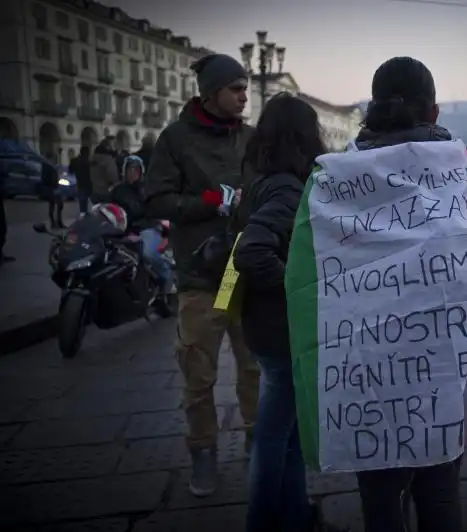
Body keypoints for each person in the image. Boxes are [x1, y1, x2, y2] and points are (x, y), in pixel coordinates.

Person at [340, 57, 465, 532]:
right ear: (433, 112)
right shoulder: (464, 171)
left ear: (371, 109)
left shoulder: (333, 176)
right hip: (443, 362)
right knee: (439, 488)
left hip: (365, 366)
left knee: (379, 492)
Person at [144, 53, 260, 497]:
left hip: (242, 271)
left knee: (253, 368)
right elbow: (155, 200)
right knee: (198, 373)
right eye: (235, 89)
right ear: (211, 93)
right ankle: (204, 454)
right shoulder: (175, 140)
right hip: (199, 274)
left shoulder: (252, 138)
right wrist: (208, 201)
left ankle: (256, 445)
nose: (243, 96)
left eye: (246, 87)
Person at [232, 93, 346, 532]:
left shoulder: (261, 178)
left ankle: (296, 515)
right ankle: (262, 522)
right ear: (304, 137)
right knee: (274, 434)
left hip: (266, 327)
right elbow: (254, 250)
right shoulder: (285, 187)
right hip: (281, 331)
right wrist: (297, 289)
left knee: (290, 432)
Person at [111, 155, 173, 293]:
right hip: (122, 230)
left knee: (148, 253)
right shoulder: (118, 190)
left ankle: (168, 279)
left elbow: (154, 212)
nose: (133, 173)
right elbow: (109, 208)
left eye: (136, 170)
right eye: (130, 170)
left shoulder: (147, 189)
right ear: (124, 171)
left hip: (146, 228)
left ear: (141, 172)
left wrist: (139, 230)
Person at [90, 137, 119, 204]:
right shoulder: (107, 159)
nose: (115, 147)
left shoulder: (93, 158)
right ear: (107, 146)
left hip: (95, 191)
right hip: (107, 192)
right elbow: (112, 176)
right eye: (113, 144)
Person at [41, 157, 65, 229]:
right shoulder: (47, 166)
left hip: (54, 187)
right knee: (54, 204)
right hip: (51, 188)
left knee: (57, 205)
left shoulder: (51, 166)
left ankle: (57, 222)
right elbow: (45, 178)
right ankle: (55, 222)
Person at [69, 146, 92, 215]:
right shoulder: (89, 162)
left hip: (80, 181)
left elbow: (70, 170)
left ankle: (83, 213)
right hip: (88, 182)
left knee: (82, 199)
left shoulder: (75, 160)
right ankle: (85, 213)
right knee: (87, 199)